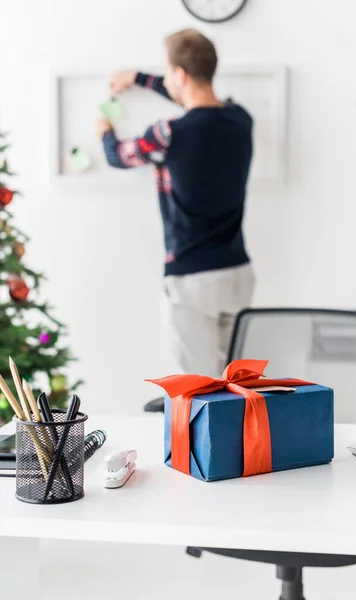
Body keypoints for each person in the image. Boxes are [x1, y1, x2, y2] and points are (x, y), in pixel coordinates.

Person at [97, 29, 255, 378]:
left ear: (180, 75)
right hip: (237, 272)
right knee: (237, 382)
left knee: (198, 385)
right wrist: (138, 78)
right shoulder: (241, 119)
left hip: (191, 277)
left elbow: (118, 156)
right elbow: (198, 107)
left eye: (168, 72)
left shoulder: (168, 133)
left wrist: (104, 130)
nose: (166, 79)